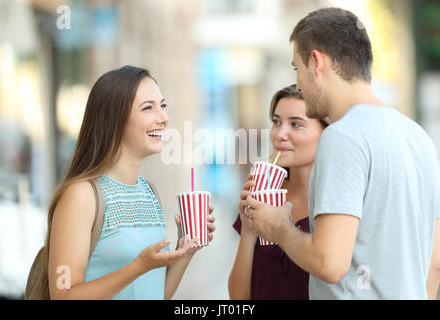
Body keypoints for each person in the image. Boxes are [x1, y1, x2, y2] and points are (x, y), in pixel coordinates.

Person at [246, 7, 440, 299]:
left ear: (316, 62)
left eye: (296, 68)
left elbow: (329, 262)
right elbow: (434, 264)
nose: (298, 82)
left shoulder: (342, 137)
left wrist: (277, 226)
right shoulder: (419, 138)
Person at [47, 66, 216, 299]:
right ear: (113, 119)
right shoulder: (81, 195)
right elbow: (63, 295)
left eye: (163, 106)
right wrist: (138, 267)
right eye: (148, 108)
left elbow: (155, 294)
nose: (164, 118)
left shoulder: (149, 192)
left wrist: (186, 250)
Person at [228, 85, 328, 300]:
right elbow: (238, 298)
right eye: (276, 122)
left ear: (326, 133)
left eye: (296, 124)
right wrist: (248, 228)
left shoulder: (335, 203)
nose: (280, 134)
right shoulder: (265, 195)